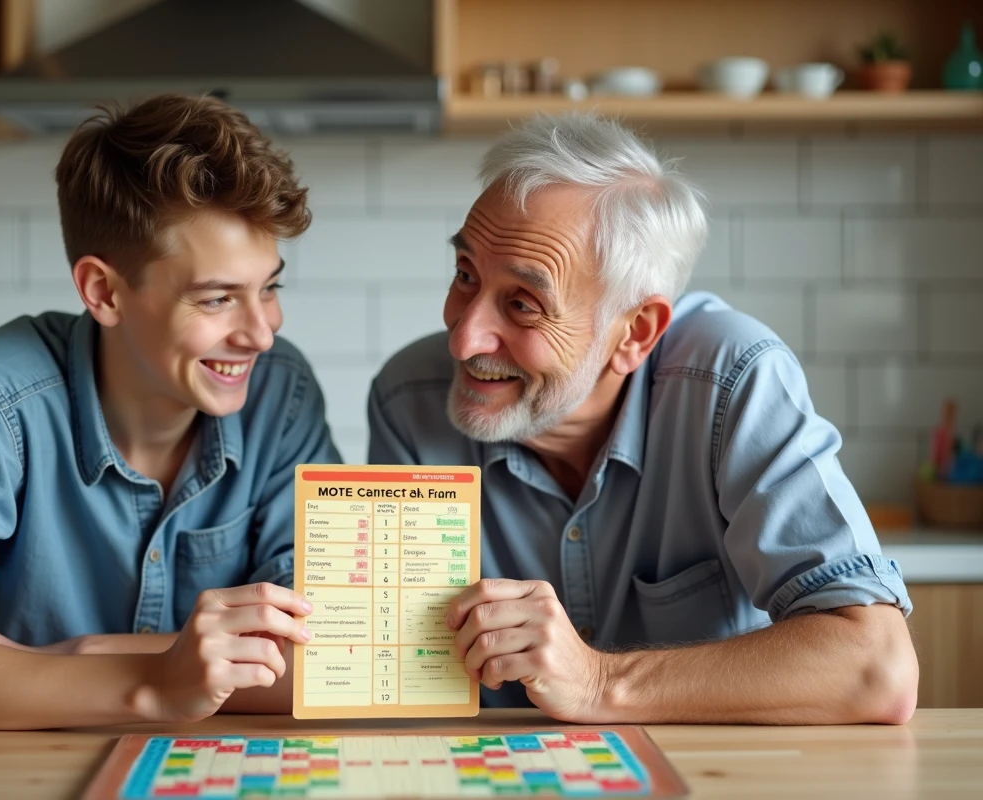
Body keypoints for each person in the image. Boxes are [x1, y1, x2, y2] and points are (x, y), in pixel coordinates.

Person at [368, 112, 918, 724]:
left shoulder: (732, 381)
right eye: (466, 274)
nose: (463, 339)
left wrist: (600, 681)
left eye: (523, 304)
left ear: (635, 333)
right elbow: (398, 671)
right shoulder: (408, 399)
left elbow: (877, 667)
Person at [0, 95, 337, 729]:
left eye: (270, 287)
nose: (261, 333)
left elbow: (334, 656)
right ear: (104, 292)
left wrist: (84, 655)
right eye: (216, 299)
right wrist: (152, 683)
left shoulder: (281, 394)